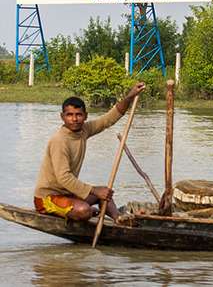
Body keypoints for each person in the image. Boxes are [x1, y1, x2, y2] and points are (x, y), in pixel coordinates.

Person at [33, 82, 146, 222]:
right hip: (47, 198)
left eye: (78, 115)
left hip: (68, 194)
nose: (74, 119)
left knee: (105, 193)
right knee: (84, 210)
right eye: (69, 115)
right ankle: (89, 211)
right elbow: (64, 178)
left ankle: (119, 218)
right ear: (62, 117)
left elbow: (108, 119)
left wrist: (129, 96)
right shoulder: (59, 141)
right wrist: (94, 190)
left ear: (85, 116)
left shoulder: (84, 130)